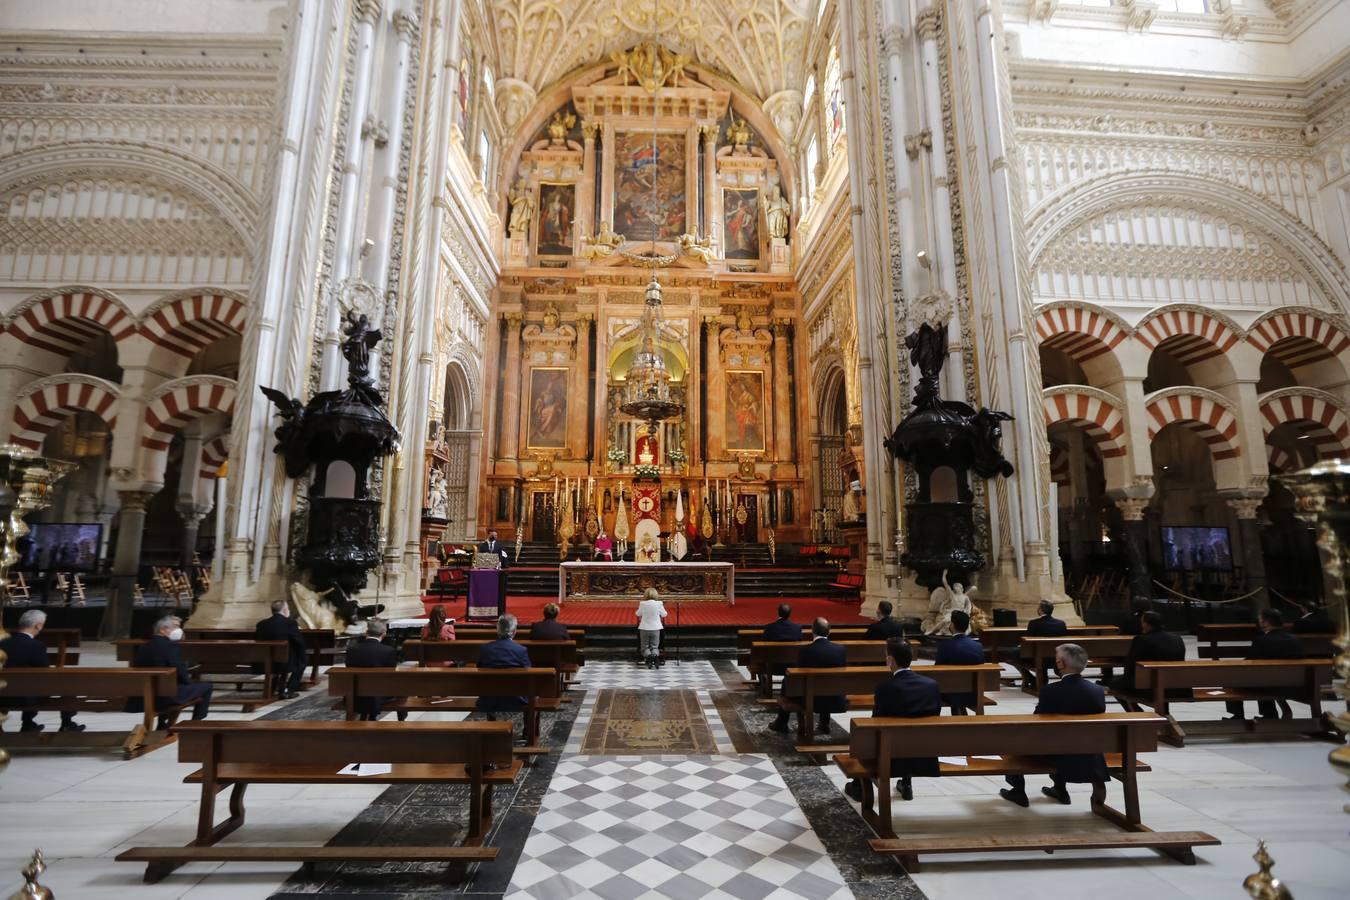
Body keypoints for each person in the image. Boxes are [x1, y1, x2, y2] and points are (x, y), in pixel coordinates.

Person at [1000, 643, 1108, 807]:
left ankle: (1018, 789)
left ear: (1061, 664)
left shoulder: (1050, 691)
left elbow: (1037, 720)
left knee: (1015, 739)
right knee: (1061, 738)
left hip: (1056, 751)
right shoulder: (1097, 690)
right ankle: (1059, 788)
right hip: (1089, 749)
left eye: (1057, 660)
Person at [845, 638, 941, 803]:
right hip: (924, 754)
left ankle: (858, 785)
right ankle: (906, 782)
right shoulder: (931, 685)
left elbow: (876, 722)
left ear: (890, 660)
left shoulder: (885, 688)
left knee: (869, 737)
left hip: (890, 754)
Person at [0, 609, 83, 733]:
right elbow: (45, 673)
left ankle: (29, 724)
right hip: (25, 698)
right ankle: (67, 723)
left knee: (29, 684)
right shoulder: (36, 645)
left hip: (2, 694)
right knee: (67, 685)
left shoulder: (3, 643)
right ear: (38, 625)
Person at [131, 615, 213, 728]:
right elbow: (180, 671)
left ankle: (162, 723)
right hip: (166, 697)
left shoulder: (142, 647)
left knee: (169, 686)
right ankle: (195, 724)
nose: (178, 630)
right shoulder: (170, 646)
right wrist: (190, 683)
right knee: (206, 687)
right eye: (174, 627)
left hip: (144, 696)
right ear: (162, 630)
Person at [769, 618, 846, 735]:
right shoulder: (840, 650)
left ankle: (782, 721)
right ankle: (824, 724)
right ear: (829, 631)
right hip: (834, 697)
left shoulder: (805, 650)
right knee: (827, 683)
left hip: (810, 698)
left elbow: (799, 675)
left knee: (788, 680)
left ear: (812, 631)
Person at [1226, 609, 1304, 721]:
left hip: (1268, 685)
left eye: (1260, 619)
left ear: (1266, 622)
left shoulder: (1262, 640)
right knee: (1265, 676)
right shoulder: (1295, 640)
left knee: (1233, 678)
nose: (1259, 622)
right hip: (1295, 685)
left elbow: (1248, 662)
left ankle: (1238, 715)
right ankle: (1269, 714)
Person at [1105, 610, 1186, 705]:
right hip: (1177, 685)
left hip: (1149, 686)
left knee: (1113, 685)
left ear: (1146, 624)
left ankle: (1135, 712)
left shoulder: (1141, 640)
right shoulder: (1176, 638)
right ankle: (1164, 712)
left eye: (1142, 622)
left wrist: (1125, 679)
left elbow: (1130, 665)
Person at [345, 618, 406, 721]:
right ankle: (401, 719)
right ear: (383, 633)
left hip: (356, 694)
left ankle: (369, 715)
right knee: (402, 687)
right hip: (380, 695)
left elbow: (348, 667)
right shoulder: (388, 651)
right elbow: (391, 674)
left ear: (366, 632)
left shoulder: (352, 650)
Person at [478, 614, 532, 718]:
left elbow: (479, 669)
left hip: (490, 698)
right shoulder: (521, 650)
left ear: (497, 630)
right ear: (514, 631)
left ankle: (491, 720)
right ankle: (527, 729)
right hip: (515, 698)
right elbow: (528, 672)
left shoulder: (485, 649)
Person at [933, 610, 985, 715]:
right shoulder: (978, 646)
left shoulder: (945, 646)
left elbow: (937, 671)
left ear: (952, 625)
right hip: (974, 692)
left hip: (951, 692)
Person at [255, 598, 308, 699]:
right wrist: (302, 655)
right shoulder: (290, 623)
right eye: (288, 608)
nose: (289, 611)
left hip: (265, 661)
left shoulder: (261, 624)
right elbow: (299, 642)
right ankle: (290, 689)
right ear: (284, 610)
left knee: (285, 659)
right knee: (303, 660)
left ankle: (274, 687)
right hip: (284, 662)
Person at [636, 588, 667, 669]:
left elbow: (638, 613)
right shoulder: (659, 603)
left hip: (644, 628)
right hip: (656, 628)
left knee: (644, 647)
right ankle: (655, 657)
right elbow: (664, 614)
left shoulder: (643, 603)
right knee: (655, 646)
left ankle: (649, 657)